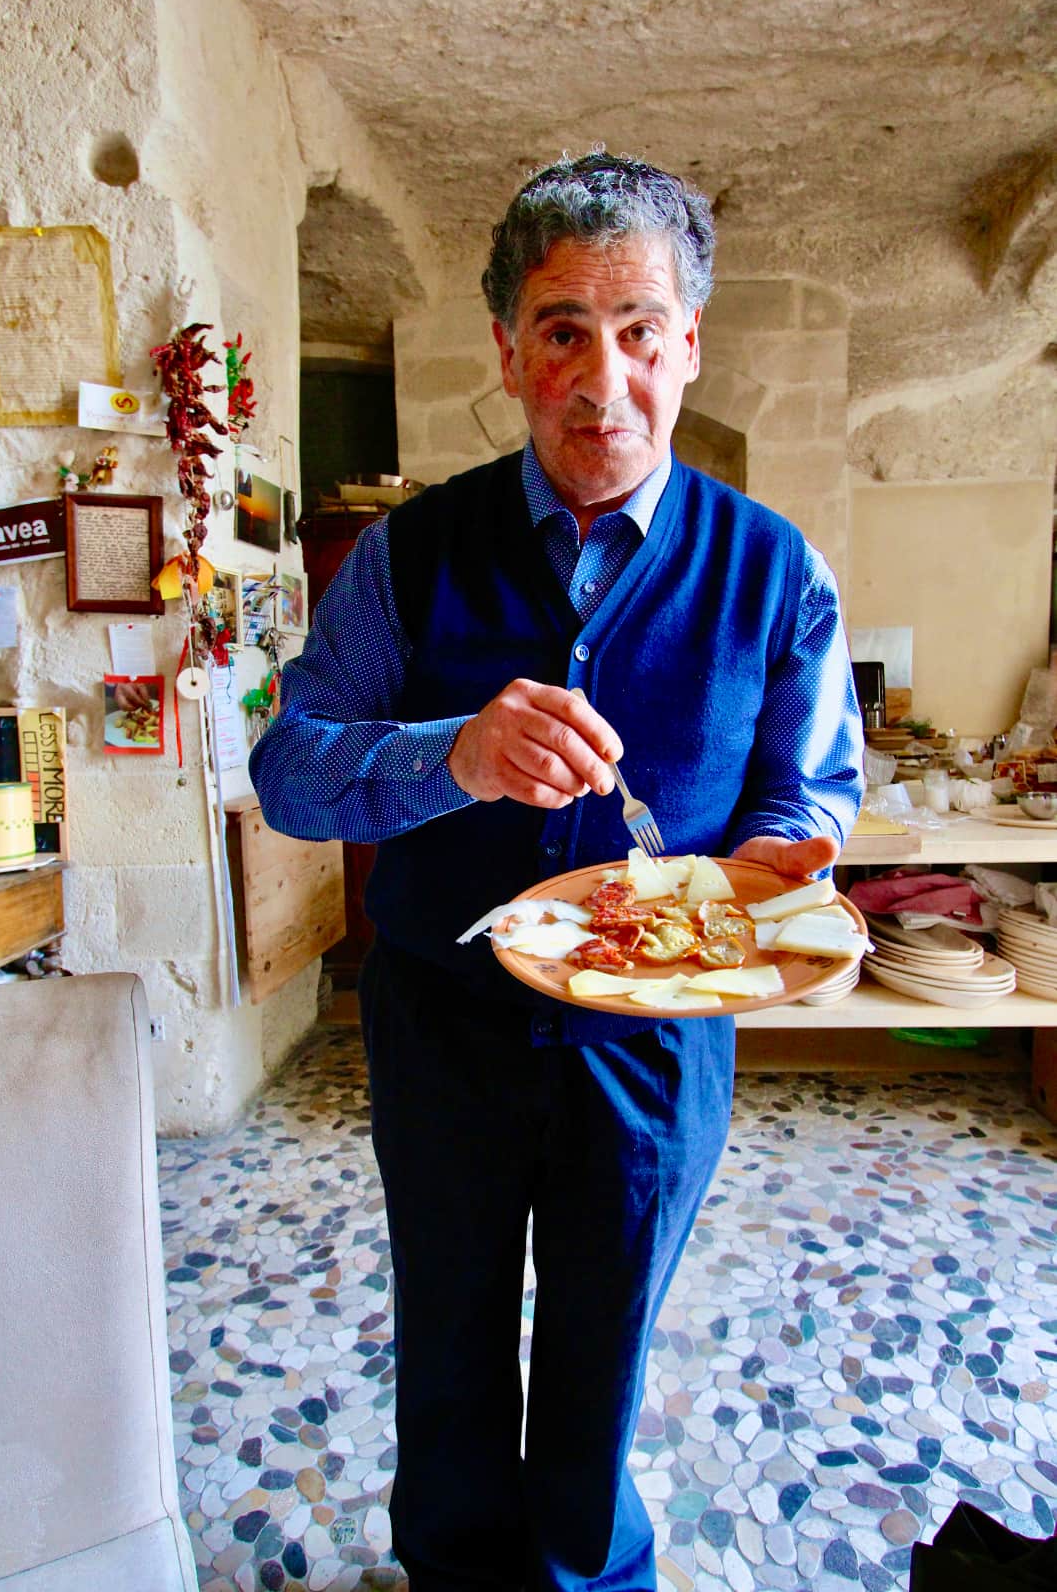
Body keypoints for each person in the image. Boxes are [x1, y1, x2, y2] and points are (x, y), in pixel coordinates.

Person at [251, 150, 864, 1592]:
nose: (605, 379)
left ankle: (591, 1579)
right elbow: (288, 773)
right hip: (442, 1032)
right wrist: (448, 757)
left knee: (604, 1348)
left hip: (652, 1049)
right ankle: (458, 1570)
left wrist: (784, 858)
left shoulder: (777, 573)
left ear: (688, 343)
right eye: (564, 330)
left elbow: (813, 786)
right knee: (450, 1335)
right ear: (510, 352)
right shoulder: (410, 555)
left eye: (641, 329)